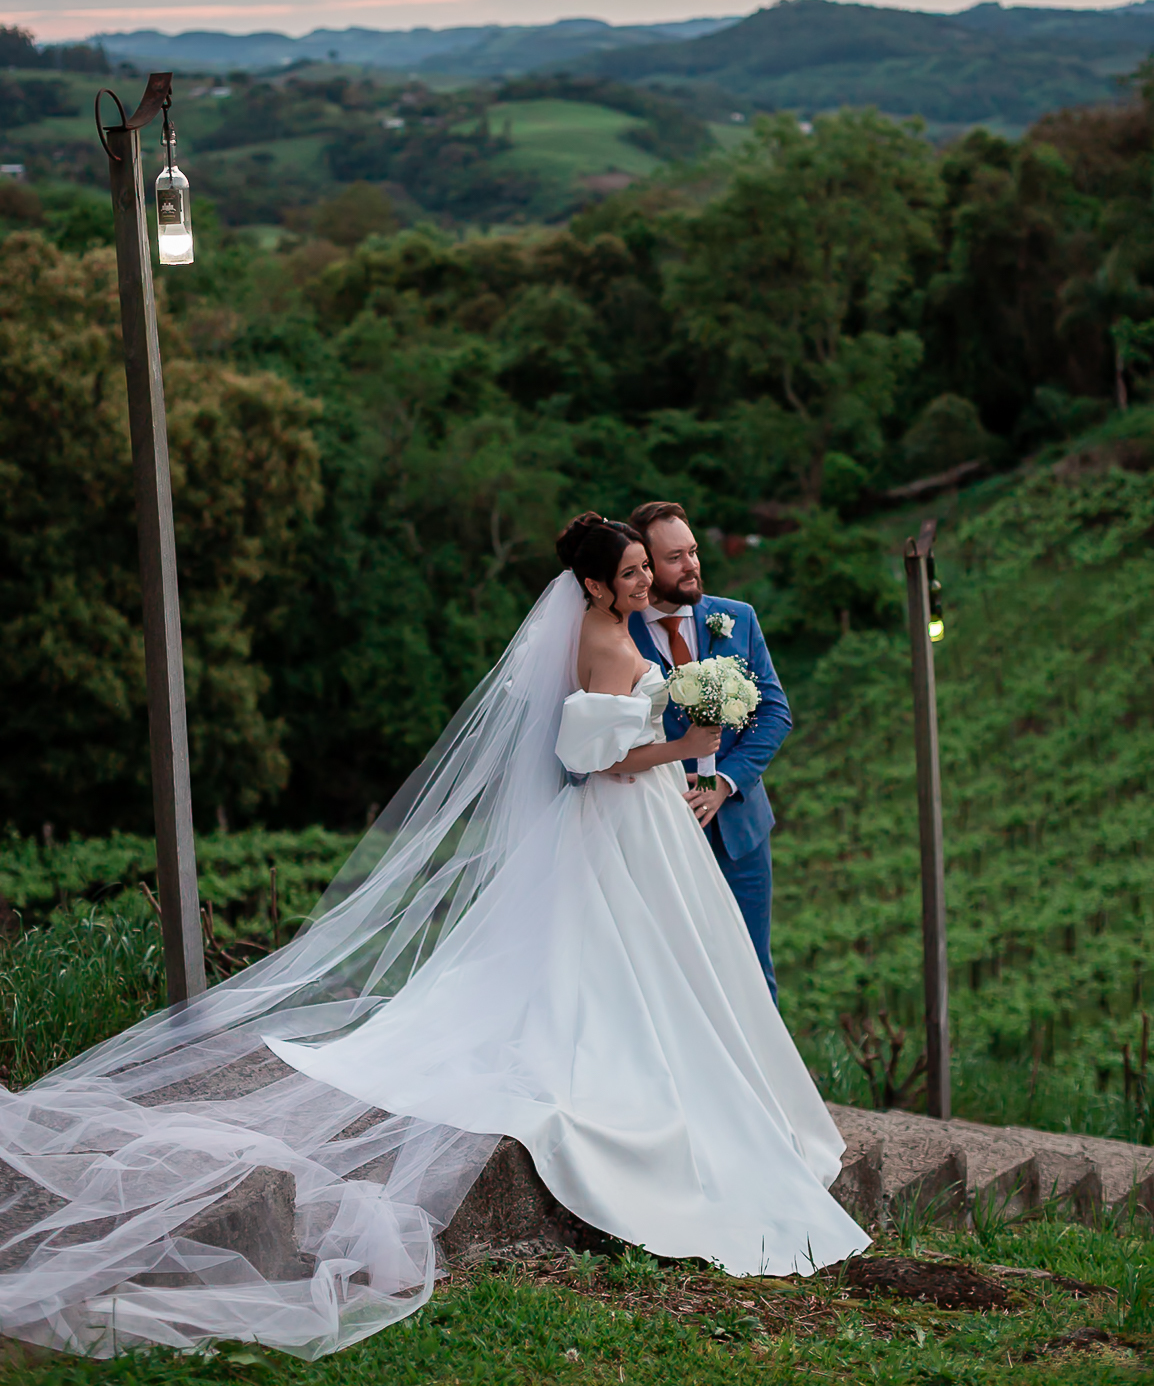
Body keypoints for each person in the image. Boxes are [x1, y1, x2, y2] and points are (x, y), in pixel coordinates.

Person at [0, 515, 867, 1362]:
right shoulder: (601, 639)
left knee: (675, 960)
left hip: (649, 826)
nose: (646, 581)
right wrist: (684, 738)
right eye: (634, 571)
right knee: (619, 965)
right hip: (625, 815)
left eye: (652, 567)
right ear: (598, 584)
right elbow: (596, 756)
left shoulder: (620, 626)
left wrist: (687, 735)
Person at [627, 501, 788, 997]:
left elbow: (774, 713)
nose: (692, 565)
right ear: (647, 567)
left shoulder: (737, 618)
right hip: (659, 831)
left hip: (740, 833)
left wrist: (723, 782)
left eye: (693, 552)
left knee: (753, 975)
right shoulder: (616, 634)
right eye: (675, 557)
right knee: (677, 982)